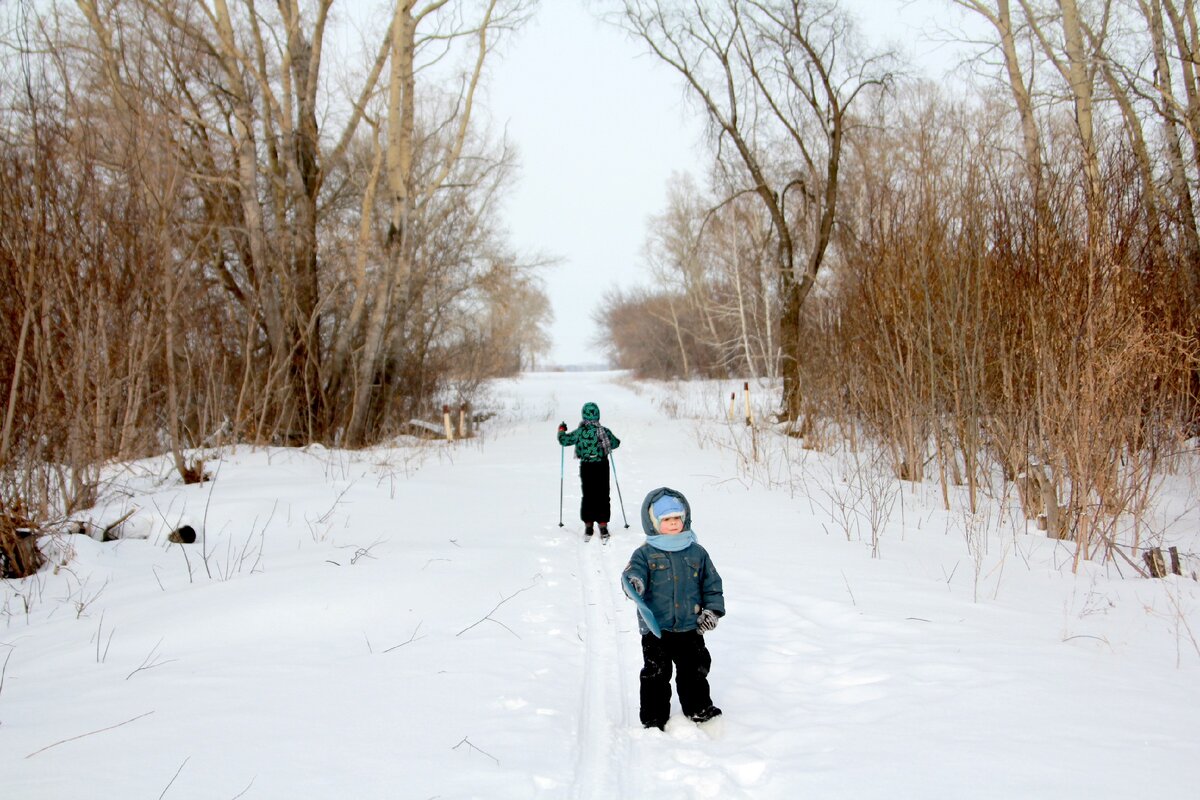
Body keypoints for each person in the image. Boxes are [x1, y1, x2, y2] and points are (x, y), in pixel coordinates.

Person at [622, 487, 724, 730]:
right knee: (656, 674)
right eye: (666, 519)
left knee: (694, 671)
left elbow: (712, 584)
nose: (673, 523)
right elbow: (632, 575)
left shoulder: (697, 552)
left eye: (677, 518)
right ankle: (654, 717)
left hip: (691, 626)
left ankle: (698, 708)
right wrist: (634, 583)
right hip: (656, 628)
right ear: (654, 522)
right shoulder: (645, 554)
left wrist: (712, 611)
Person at [556, 402, 621, 541]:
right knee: (603, 494)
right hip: (602, 465)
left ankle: (589, 526)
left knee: (589, 494)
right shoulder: (604, 431)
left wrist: (561, 430)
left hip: (587, 467)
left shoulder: (580, 432)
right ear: (598, 415)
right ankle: (603, 526)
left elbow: (564, 440)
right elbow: (615, 443)